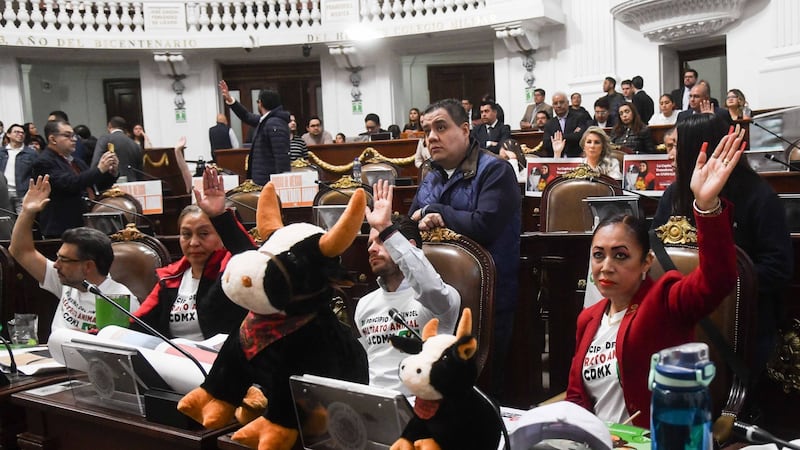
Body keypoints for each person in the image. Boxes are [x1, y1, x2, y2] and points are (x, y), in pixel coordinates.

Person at [567, 127, 745, 427]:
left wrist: (707, 206)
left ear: (646, 262)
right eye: (599, 255)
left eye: (620, 255)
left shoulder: (664, 300)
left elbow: (718, 279)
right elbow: (576, 397)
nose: (606, 266)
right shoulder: (589, 319)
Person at [653, 115, 793, 370]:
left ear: (697, 149)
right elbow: (655, 254)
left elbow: (778, 269)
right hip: (681, 312)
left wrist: (712, 282)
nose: (669, 156)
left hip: (742, 322)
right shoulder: (674, 194)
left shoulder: (759, 197)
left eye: (676, 146)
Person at [409, 98, 520, 397]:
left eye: (441, 127)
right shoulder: (431, 175)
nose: (432, 136)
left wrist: (437, 211)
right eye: (426, 130)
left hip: (485, 300)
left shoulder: (495, 170)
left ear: (465, 129)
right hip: (435, 300)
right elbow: (411, 225)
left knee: (478, 393)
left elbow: (484, 226)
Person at [355, 180, 460, 392]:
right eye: (370, 244)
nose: (372, 250)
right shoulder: (365, 305)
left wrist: (386, 229)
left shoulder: (442, 299)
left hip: (421, 407)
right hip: (375, 407)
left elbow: (429, 288)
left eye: (381, 241)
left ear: (408, 246)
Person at [133, 167, 255, 340]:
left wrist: (219, 216)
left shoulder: (231, 268)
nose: (194, 242)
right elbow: (139, 323)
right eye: (186, 234)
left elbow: (250, 258)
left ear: (221, 237)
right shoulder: (171, 277)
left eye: (204, 234)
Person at [9, 175, 139, 332]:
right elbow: (20, 250)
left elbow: (112, 352)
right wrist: (27, 212)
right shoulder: (67, 282)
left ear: (88, 266)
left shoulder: (117, 299)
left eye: (63, 259)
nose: (56, 265)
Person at [32, 120, 119, 238]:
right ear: (53, 139)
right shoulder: (43, 162)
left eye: (74, 135)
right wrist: (99, 169)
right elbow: (70, 183)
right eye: (67, 135)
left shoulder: (77, 161)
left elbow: (93, 185)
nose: (74, 139)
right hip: (61, 227)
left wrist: (110, 173)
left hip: (85, 224)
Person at [219, 80, 290, 185]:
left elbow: (281, 158)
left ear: (260, 103)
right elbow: (246, 116)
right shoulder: (268, 121)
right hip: (264, 179)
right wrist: (230, 100)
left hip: (268, 182)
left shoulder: (274, 123)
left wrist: (281, 185)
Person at [553, 126, 621, 179]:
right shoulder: (577, 164)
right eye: (589, 142)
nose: (592, 146)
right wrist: (557, 153)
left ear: (603, 146)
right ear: (584, 146)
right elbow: (560, 181)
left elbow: (615, 186)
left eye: (597, 142)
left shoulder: (612, 163)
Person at [92, 116, 143, 182]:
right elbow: (140, 171)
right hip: (132, 183)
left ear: (109, 125)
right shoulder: (135, 144)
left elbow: (96, 163)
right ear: (124, 128)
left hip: (111, 184)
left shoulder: (105, 139)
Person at [542, 92, 591, 157]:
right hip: (557, 158)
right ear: (553, 106)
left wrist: (559, 138)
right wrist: (571, 136)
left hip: (576, 157)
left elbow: (580, 137)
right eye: (555, 103)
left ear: (568, 103)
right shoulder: (549, 123)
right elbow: (546, 144)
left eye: (561, 102)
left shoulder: (579, 118)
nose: (559, 105)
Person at [1, 123, 38, 203]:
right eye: (16, 132)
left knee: (24, 215)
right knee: (6, 215)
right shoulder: (2, 152)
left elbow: (36, 173)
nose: (20, 134)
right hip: (3, 192)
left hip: (22, 193)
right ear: (8, 134)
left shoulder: (31, 153)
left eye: (22, 133)